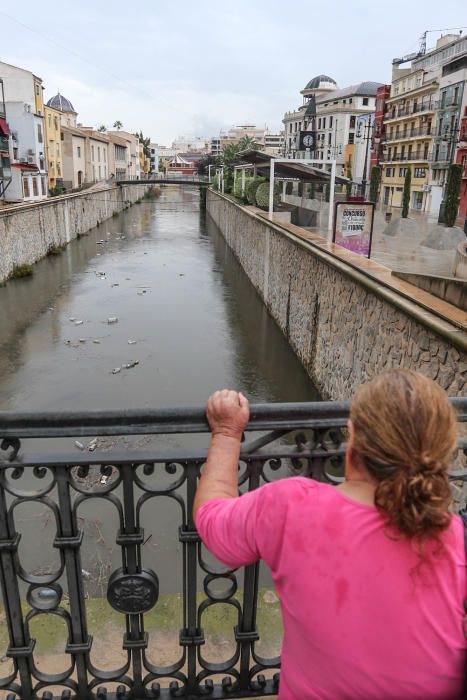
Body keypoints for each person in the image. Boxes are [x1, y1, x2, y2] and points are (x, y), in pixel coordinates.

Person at [194, 370, 467, 699]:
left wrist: (225, 433)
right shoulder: (458, 541)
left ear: (353, 438)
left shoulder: (292, 508)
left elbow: (212, 521)